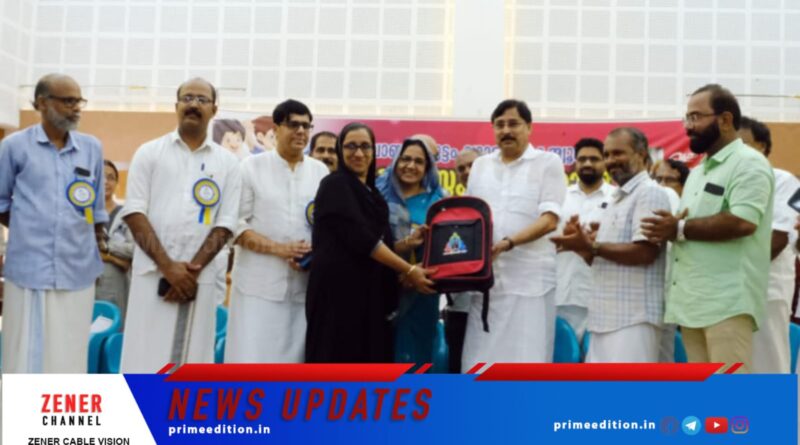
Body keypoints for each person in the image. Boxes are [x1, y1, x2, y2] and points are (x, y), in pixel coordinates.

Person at [642, 84, 774, 373]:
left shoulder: (749, 164)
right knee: (706, 394)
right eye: (687, 118)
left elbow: (742, 221)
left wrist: (678, 228)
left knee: (731, 393)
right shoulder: (698, 171)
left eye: (696, 117)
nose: (688, 126)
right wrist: (670, 226)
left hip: (727, 303)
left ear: (725, 120)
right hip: (692, 302)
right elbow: (687, 223)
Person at [119, 78, 242, 372]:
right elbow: (134, 212)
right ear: (176, 106)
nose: (193, 105)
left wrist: (190, 272)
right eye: (187, 98)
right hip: (152, 275)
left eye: (202, 100)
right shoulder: (149, 152)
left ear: (214, 109)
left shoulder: (228, 163)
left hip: (200, 280)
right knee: (144, 358)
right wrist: (168, 267)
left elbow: (226, 224)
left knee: (193, 361)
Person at [0, 73, 107, 372]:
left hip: (78, 270)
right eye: (68, 101)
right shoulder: (14, 146)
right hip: (30, 270)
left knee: (69, 355)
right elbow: (1, 201)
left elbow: (97, 211)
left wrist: (96, 249)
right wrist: (28, 228)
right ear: (42, 103)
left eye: (79, 101)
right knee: (25, 356)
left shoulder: (91, 148)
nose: (76, 108)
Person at [305, 122, 436, 363]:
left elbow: (376, 244)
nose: (358, 153)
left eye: (365, 146)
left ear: (374, 151)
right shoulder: (335, 184)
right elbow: (364, 241)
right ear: (340, 150)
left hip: (369, 298)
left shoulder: (373, 194)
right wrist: (409, 269)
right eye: (350, 146)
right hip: (338, 298)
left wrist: (407, 243)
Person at [461, 99, 567, 368]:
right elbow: (470, 218)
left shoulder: (548, 163)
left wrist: (508, 243)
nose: (506, 130)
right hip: (487, 282)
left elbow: (549, 220)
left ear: (529, 127)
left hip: (530, 282)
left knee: (526, 361)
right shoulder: (480, 166)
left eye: (513, 124)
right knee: (479, 362)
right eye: (500, 125)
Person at [552, 128, 669, 362]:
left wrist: (593, 247)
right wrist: (581, 246)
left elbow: (645, 252)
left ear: (641, 154)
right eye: (607, 154)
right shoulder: (618, 198)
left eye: (618, 153)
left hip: (634, 317)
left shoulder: (650, 193)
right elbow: (601, 258)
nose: (611, 160)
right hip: (605, 316)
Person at [225, 100, 328, 363]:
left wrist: (314, 255)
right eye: (293, 124)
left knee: (295, 370)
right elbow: (236, 225)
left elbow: (327, 229)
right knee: (251, 363)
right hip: (257, 288)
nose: (301, 131)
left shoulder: (320, 172)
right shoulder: (250, 167)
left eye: (306, 126)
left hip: (303, 287)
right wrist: (278, 249)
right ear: (276, 129)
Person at [739, 116, 800, 373]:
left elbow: (778, 239)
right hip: (726, 292)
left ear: (762, 146)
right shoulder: (726, 183)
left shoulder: (783, 181)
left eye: (743, 144)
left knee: (768, 364)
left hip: (767, 289)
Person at [378, 137, 446, 365]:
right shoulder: (377, 196)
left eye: (419, 161)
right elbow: (367, 242)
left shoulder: (438, 202)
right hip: (381, 288)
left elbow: (448, 249)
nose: (410, 166)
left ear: (428, 167)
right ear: (395, 161)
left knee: (417, 357)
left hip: (422, 289)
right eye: (405, 159)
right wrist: (403, 270)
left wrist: (417, 272)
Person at [554, 137, 615, 342]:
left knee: (596, 359)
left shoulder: (617, 198)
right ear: (575, 163)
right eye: (582, 159)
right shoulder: (559, 197)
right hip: (561, 293)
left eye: (594, 159)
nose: (587, 163)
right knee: (562, 356)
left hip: (601, 297)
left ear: (605, 162)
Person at [443, 147, 483, 372]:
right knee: (457, 368)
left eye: (472, 165)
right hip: (459, 306)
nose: (467, 171)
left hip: (495, 305)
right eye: (461, 168)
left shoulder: (501, 205)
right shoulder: (453, 210)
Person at [95, 160, 135, 324]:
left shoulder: (127, 214)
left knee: (115, 327)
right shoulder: (84, 212)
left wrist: (106, 248)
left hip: (117, 284)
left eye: (111, 178)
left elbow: (134, 249)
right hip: (88, 283)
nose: (106, 182)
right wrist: (117, 258)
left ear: (117, 183)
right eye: (102, 177)